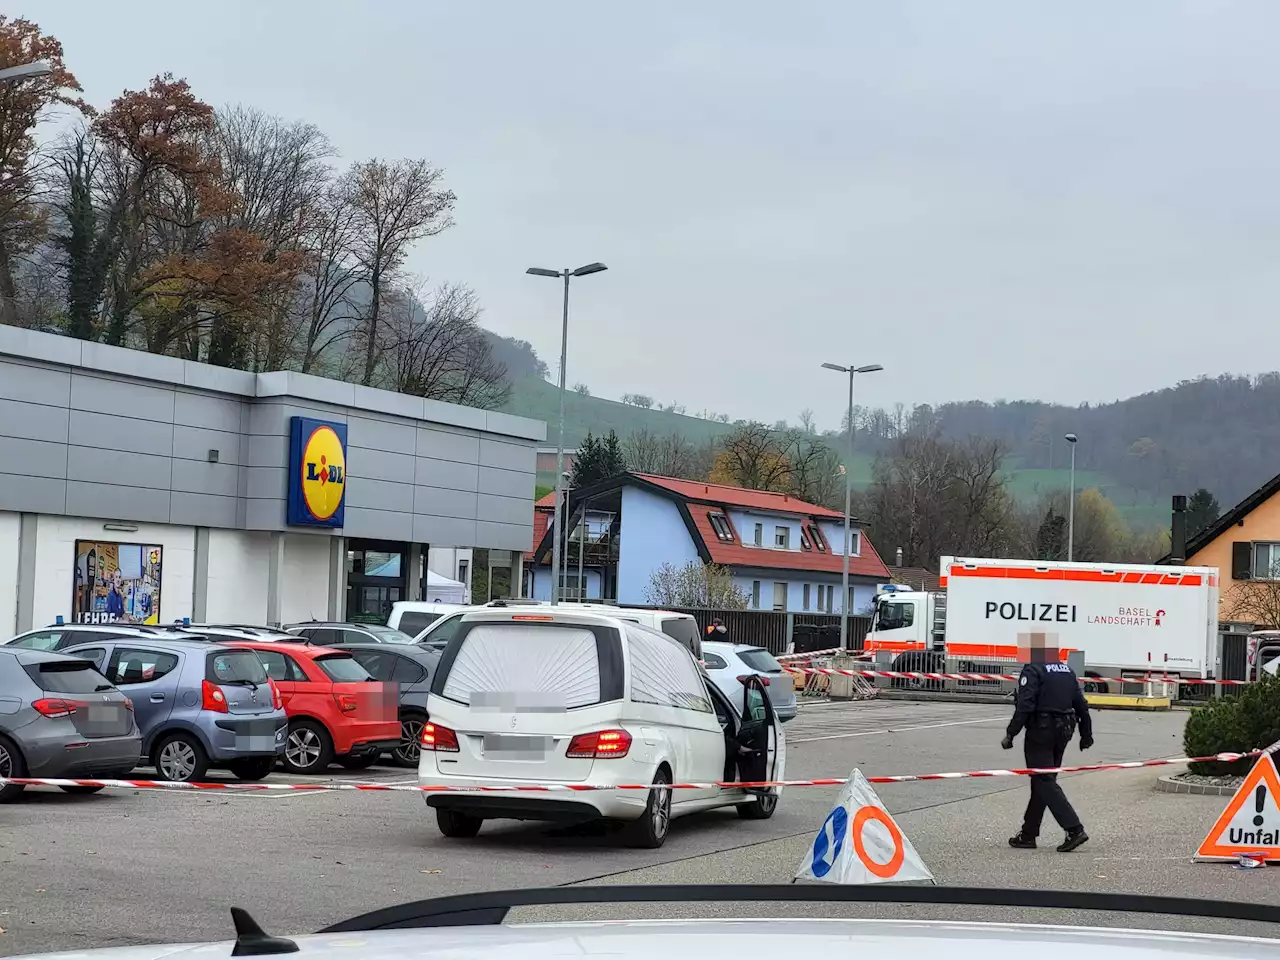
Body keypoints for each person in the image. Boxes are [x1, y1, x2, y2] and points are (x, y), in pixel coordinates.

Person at [1002, 631, 1092, 852]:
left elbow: (1025, 705)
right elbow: (1081, 704)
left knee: (1043, 780)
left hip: (1041, 731)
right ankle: (1028, 834)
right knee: (1042, 780)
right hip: (1064, 731)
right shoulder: (1066, 670)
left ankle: (1074, 829)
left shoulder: (1033, 669)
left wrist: (1011, 733)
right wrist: (1086, 734)